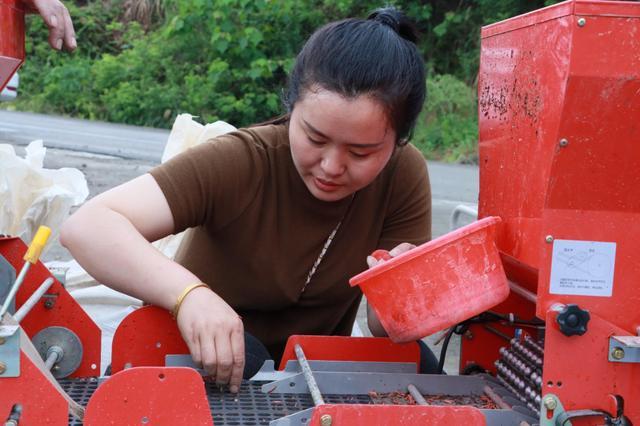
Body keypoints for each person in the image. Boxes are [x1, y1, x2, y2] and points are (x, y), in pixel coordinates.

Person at [61, 7, 436, 394]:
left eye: (360, 153)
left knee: (420, 362)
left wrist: (407, 287)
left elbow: (382, 326)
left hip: (307, 378)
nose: (331, 166)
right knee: (248, 353)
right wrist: (189, 296)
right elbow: (88, 227)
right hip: (193, 365)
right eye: (315, 138)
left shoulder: (402, 175)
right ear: (292, 109)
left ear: (397, 142)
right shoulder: (244, 160)